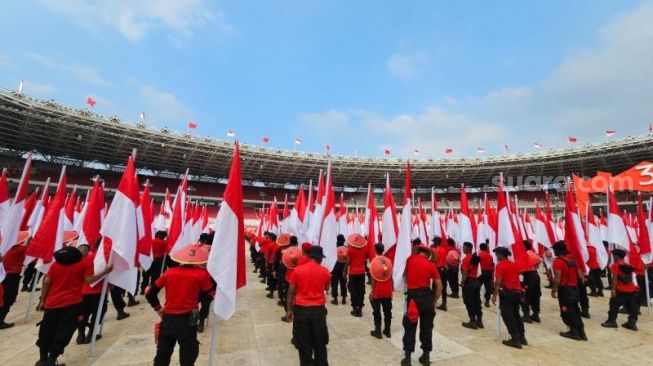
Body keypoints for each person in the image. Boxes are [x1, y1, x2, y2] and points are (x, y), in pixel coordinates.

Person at [35, 246, 112, 366]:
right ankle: (52, 359)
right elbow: (89, 280)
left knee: (47, 329)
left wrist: (42, 301)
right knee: (63, 331)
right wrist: (105, 272)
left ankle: (42, 359)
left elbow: (46, 282)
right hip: (72, 303)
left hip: (52, 303)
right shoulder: (83, 264)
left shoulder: (55, 265)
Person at [145, 243, 214, 366]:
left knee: (162, 355)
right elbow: (210, 293)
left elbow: (149, 293)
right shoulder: (201, 275)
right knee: (188, 355)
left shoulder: (169, 273)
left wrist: (159, 309)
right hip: (188, 320)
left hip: (167, 319)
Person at [286, 245, 331, 366]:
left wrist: (289, 310)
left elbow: (290, 291)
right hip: (318, 312)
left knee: (304, 346)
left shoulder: (298, 270)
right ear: (319, 258)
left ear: (310, 256)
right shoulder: (325, 271)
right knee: (320, 344)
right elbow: (327, 287)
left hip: (301, 311)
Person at [401, 245, 443, 366]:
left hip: (413, 298)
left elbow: (402, 273)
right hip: (427, 298)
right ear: (428, 255)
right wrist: (434, 301)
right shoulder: (431, 265)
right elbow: (439, 286)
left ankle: (407, 359)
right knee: (427, 329)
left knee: (410, 327)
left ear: (418, 252)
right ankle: (425, 357)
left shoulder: (410, 259)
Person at [551, 241, 587, 341]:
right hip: (575, 289)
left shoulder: (558, 262)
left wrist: (554, 290)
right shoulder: (572, 260)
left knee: (567, 311)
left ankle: (574, 332)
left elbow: (557, 278)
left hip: (565, 290)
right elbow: (580, 276)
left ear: (558, 250)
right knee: (576, 311)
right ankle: (582, 333)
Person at [492, 247, 526, 348]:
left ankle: (515, 339)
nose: (496, 256)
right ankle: (522, 337)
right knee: (516, 315)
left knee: (508, 316)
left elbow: (498, 282)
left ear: (501, 255)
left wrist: (494, 295)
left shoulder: (500, 265)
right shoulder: (513, 264)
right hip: (517, 292)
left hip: (508, 293)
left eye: (497, 254)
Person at [76, 242, 109, 344]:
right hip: (97, 291)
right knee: (97, 313)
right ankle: (91, 334)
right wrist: (106, 271)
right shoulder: (100, 258)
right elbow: (90, 280)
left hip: (83, 292)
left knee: (83, 314)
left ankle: (80, 335)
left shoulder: (82, 259)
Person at [601, 248, 640, 331]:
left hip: (621, 290)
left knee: (614, 305)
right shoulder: (627, 266)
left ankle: (612, 321)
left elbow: (614, 279)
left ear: (616, 256)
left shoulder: (615, 266)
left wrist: (613, 290)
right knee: (633, 307)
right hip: (631, 290)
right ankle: (632, 323)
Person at [0, 231, 29, 329]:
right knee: (8, 298)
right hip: (12, 277)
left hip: (2, 275)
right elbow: (32, 251)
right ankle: (0, 321)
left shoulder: (3, 248)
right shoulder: (20, 249)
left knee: (2, 297)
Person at [369, 243, 393, 339]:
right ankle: (387, 331)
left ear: (375, 250)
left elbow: (373, 278)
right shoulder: (389, 261)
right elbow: (390, 276)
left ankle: (378, 331)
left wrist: (372, 290)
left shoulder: (374, 262)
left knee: (377, 311)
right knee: (388, 311)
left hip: (378, 291)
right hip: (387, 290)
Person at [345, 233, 368, 317]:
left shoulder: (350, 249)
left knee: (353, 291)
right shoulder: (365, 248)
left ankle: (355, 309)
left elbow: (348, 262)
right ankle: (360, 309)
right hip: (361, 272)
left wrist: (344, 272)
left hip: (353, 273)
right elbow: (366, 257)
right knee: (361, 291)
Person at [460, 242, 482, 329]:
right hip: (476, 281)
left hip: (469, 282)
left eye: (464, 247)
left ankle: (472, 321)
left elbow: (465, 272)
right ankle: (479, 320)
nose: (463, 249)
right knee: (477, 301)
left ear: (468, 248)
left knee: (469, 301)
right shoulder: (475, 257)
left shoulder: (466, 259)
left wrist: (462, 282)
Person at [520, 241, 542, 323]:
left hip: (528, 277)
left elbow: (522, 268)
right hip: (535, 275)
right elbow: (539, 262)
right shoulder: (534, 254)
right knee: (536, 296)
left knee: (525, 295)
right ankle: (536, 314)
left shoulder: (524, 255)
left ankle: (526, 315)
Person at [432, 237, 448, 311]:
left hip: (437, 269)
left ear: (436, 242)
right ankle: (444, 303)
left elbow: (433, 260)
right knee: (443, 287)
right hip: (444, 269)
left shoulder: (435, 250)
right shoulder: (444, 250)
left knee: (435, 287)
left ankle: (433, 302)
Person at [330, 234, 347, 305]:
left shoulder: (335, 249)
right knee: (343, 282)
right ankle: (344, 298)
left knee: (335, 283)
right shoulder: (346, 248)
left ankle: (335, 299)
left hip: (336, 266)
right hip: (344, 266)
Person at [478, 242, 494, 308]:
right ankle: (487, 301)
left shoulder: (479, 255)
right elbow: (492, 265)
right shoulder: (490, 256)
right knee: (488, 288)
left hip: (481, 272)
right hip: (488, 272)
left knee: (477, 287)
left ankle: (478, 300)